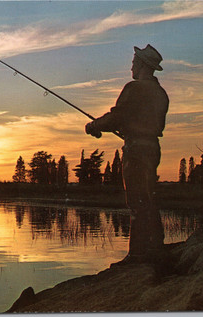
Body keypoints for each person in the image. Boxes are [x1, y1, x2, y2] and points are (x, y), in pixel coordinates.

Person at [85, 44, 169, 265]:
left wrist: (94, 125)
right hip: (153, 148)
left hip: (136, 149)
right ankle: (155, 246)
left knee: (137, 200)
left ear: (141, 64)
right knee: (149, 197)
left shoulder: (134, 88)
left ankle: (137, 255)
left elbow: (117, 116)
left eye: (134, 62)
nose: (131, 66)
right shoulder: (161, 93)